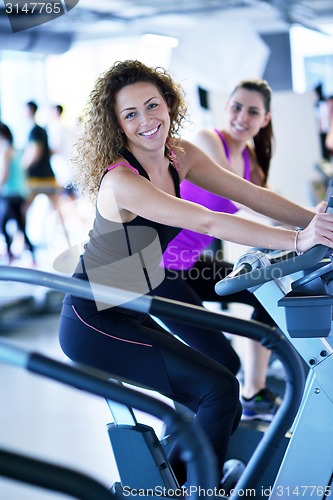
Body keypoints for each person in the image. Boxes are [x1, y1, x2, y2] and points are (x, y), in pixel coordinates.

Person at [58, 60, 333, 489]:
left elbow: (250, 194)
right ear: (116, 125)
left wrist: (318, 226)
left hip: (136, 302)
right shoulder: (121, 181)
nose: (147, 121)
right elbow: (206, 221)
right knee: (218, 391)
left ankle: (180, 482)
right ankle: (193, 488)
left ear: (169, 103)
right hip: (95, 318)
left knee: (217, 381)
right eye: (131, 114)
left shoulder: (179, 154)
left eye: (153, 106)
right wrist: (298, 242)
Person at [158, 78, 278, 422]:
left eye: (252, 111)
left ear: (264, 120)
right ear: (226, 108)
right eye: (237, 107)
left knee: (263, 290)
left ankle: (254, 392)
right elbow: (244, 198)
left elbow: (269, 200)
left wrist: (310, 218)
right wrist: (301, 227)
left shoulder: (250, 159)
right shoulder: (207, 141)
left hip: (191, 263)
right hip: (159, 270)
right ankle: (190, 428)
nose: (242, 116)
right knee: (220, 360)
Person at [0, 121, 35, 263]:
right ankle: (28, 255)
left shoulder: (5, 150)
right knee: (18, 225)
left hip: (9, 194)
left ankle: (10, 256)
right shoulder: (17, 149)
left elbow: (4, 174)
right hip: (20, 193)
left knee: (4, 224)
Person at [21, 101, 59, 207]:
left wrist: (22, 167)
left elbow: (35, 152)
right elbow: (50, 151)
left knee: (25, 206)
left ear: (30, 110)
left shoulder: (34, 131)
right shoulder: (42, 130)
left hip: (38, 178)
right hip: (48, 175)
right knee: (55, 207)